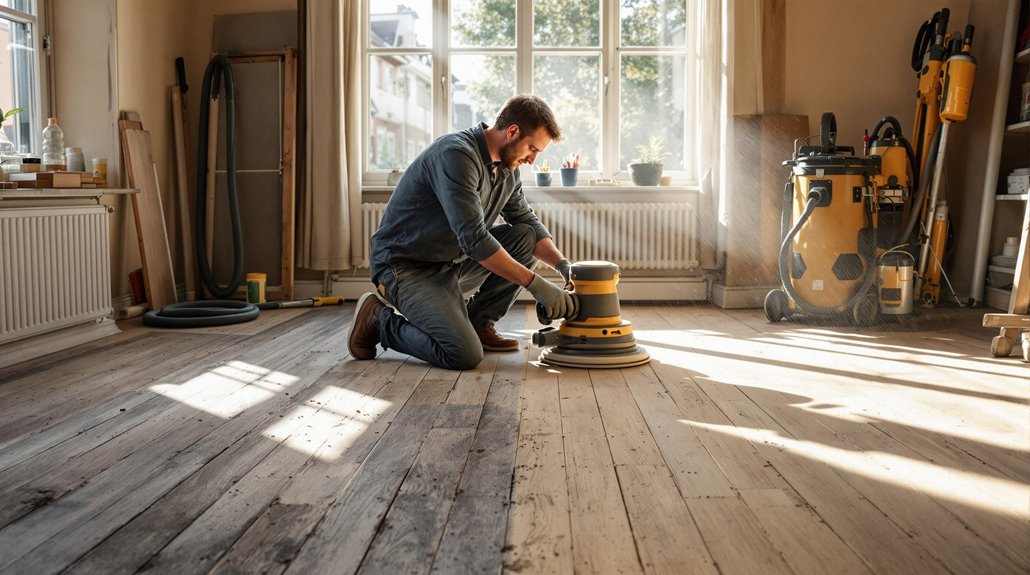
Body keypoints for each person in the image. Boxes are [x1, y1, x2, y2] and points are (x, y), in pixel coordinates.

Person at [347, 95, 576, 370]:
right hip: (405, 269)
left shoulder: (508, 169)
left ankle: (478, 323)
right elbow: (475, 240)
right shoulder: (456, 155)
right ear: (512, 131)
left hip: (450, 264)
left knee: (524, 236)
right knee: (463, 354)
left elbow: (526, 220)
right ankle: (377, 321)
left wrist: (564, 266)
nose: (532, 159)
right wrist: (537, 286)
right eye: (532, 148)